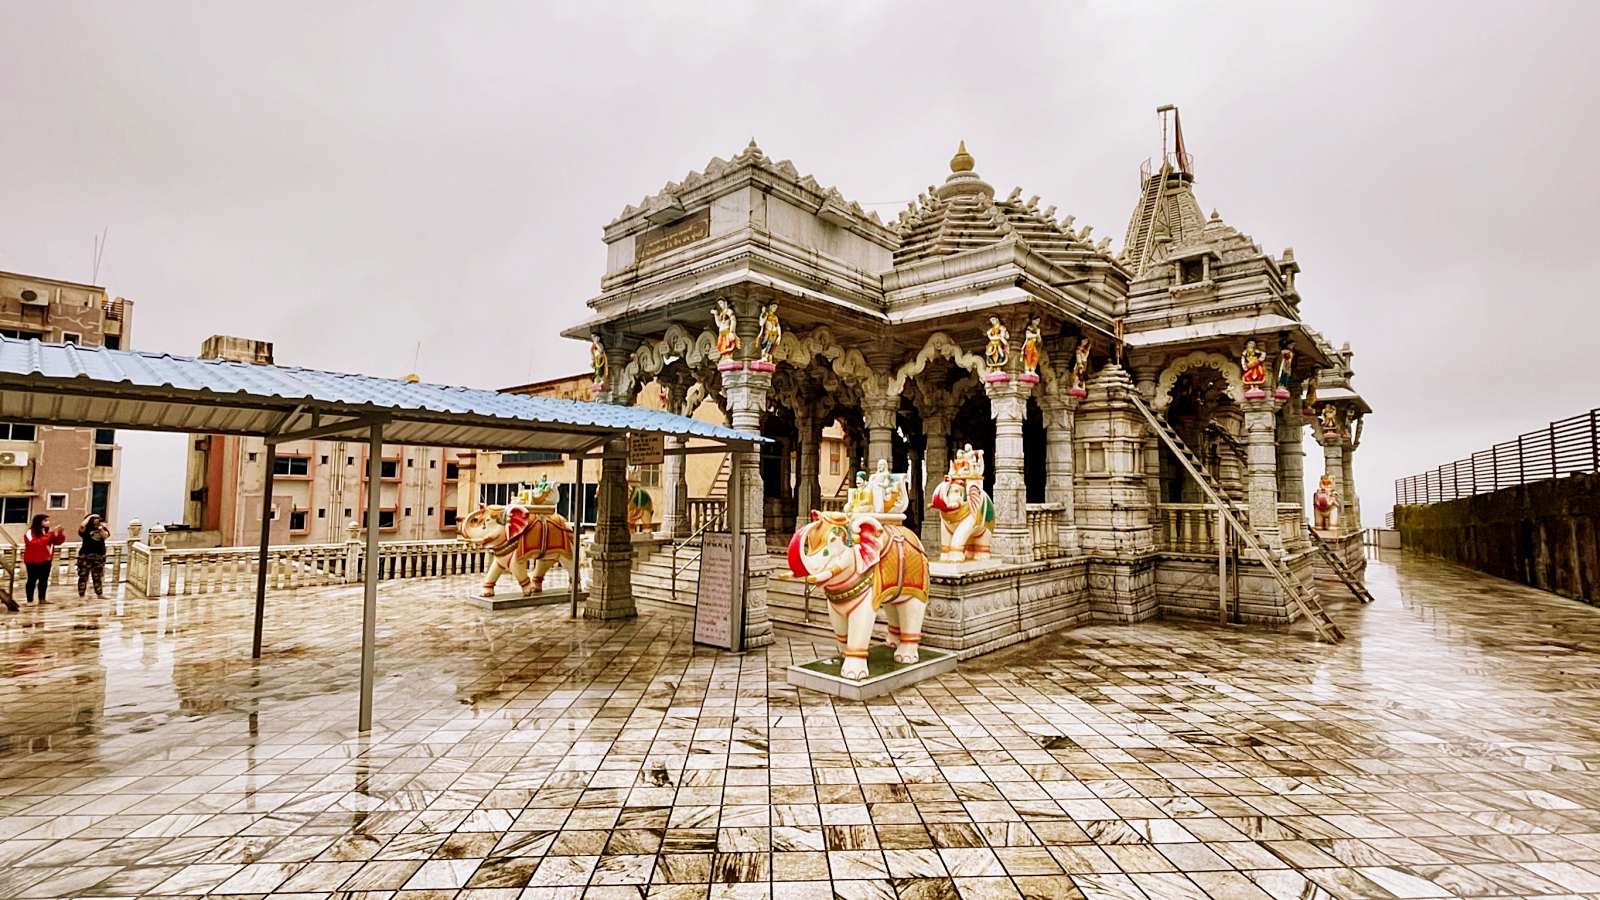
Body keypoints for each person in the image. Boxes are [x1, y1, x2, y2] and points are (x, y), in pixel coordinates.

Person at [21, 514, 65, 608]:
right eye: (45, 520)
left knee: (43, 580)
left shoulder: (47, 533)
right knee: (32, 580)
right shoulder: (30, 532)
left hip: (46, 560)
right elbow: (35, 543)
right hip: (33, 560)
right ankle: (30, 600)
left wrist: (60, 534)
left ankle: (42, 598)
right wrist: (49, 535)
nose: (47, 522)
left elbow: (57, 542)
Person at [78, 514, 110, 598]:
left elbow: (105, 536)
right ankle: (81, 594)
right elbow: (82, 526)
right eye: (94, 519)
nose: (97, 520)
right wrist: (90, 516)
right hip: (85, 555)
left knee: (97, 576)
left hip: (98, 555)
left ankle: (99, 593)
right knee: (83, 575)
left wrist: (100, 528)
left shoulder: (102, 528)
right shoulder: (86, 529)